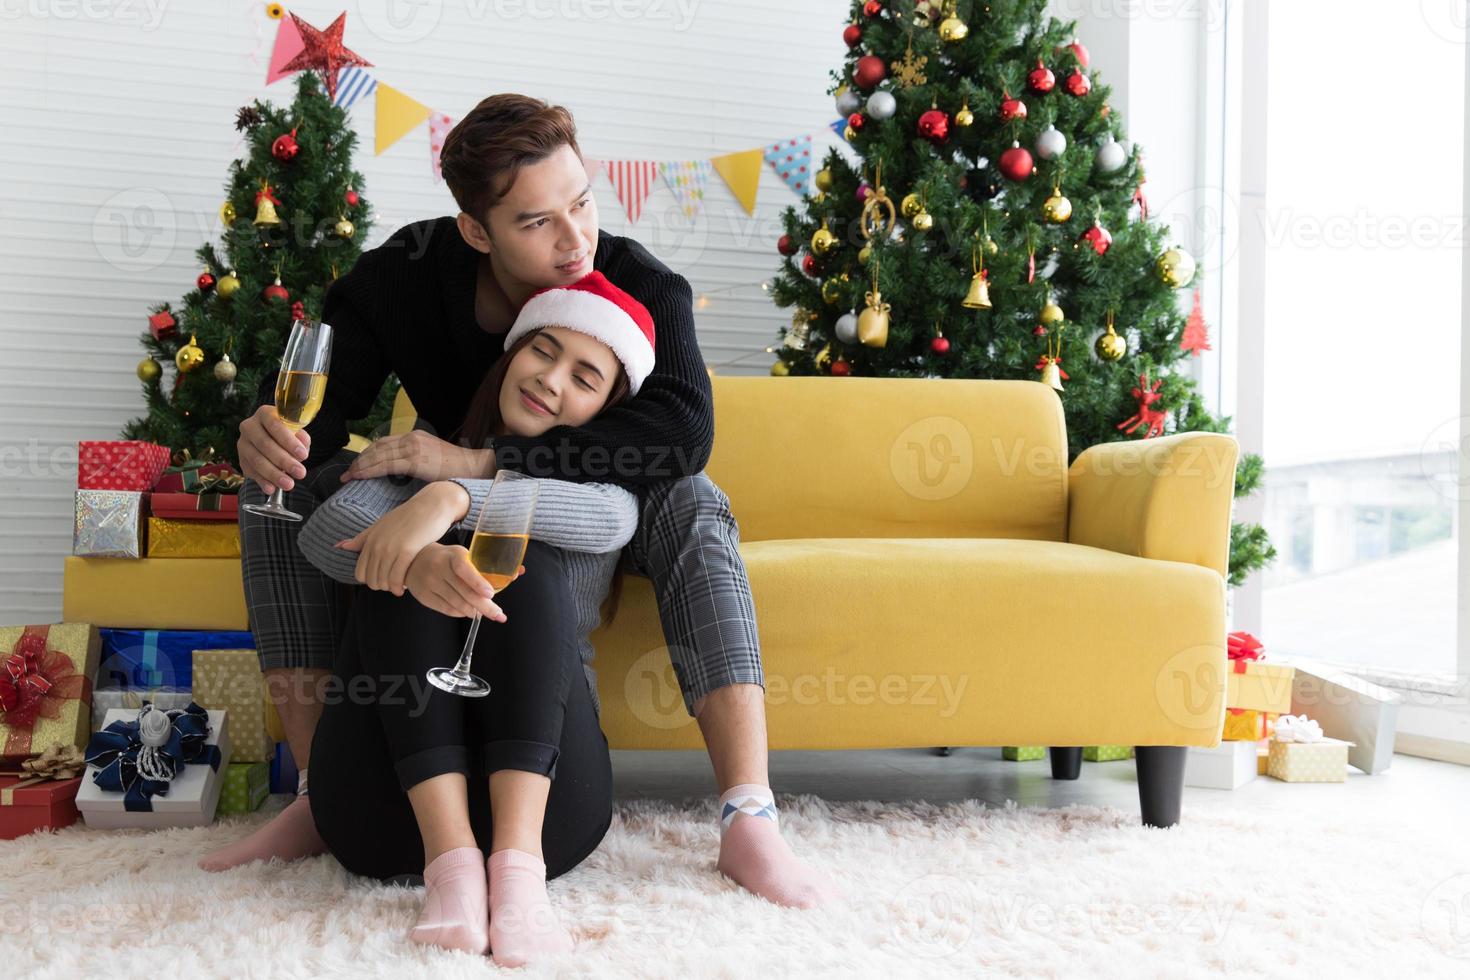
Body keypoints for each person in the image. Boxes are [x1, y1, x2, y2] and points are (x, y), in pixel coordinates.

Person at [200, 93, 840, 911]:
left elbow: (681, 431)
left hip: (587, 498)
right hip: (438, 493)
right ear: (477, 231)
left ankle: (750, 815)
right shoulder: (402, 276)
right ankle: (318, 798)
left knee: (694, 497)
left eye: (582, 202)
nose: (576, 240)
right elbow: (314, 416)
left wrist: (475, 466)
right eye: (538, 222)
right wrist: (268, 432)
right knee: (272, 493)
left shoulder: (640, 277)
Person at [296, 273, 647, 966]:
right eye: (542, 352)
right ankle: (451, 868)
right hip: (385, 805)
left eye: (584, 377)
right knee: (404, 559)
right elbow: (323, 527)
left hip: (552, 809)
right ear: (511, 356)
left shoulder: (606, 483)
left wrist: (454, 495)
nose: (550, 379)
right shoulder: (423, 446)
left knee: (519, 554)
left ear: (607, 407)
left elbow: (610, 521)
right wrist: (416, 554)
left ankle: (516, 879)